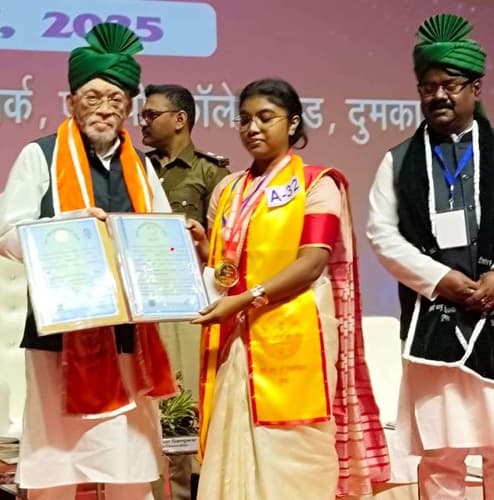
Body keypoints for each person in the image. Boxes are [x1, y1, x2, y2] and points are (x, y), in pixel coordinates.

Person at [0, 22, 176, 500]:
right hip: (60, 335)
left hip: (128, 336)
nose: (105, 109)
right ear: (71, 102)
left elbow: (160, 236)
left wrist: (179, 246)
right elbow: (5, 235)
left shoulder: (141, 167)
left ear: (128, 108)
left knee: (129, 462)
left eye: (116, 99)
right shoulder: (40, 155)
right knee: (57, 463)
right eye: (93, 98)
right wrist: (68, 229)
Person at [191, 78, 389, 499]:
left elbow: (312, 262)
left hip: (297, 336)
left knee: (292, 451)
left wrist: (246, 299)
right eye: (244, 119)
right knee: (234, 449)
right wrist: (203, 248)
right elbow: (225, 269)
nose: (253, 128)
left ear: (293, 123)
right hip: (237, 336)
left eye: (266, 118)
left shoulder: (318, 184)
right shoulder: (227, 189)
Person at [367, 13, 494, 499]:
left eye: (451, 85)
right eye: (428, 87)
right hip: (433, 317)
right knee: (442, 451)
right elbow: (382, 234)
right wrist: (440, 279)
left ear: (475, 88)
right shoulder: (398, 160)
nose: (439, 95)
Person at [140, 83, 230, 500]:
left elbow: (227, 250)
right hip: (143, 304)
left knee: (184, 404)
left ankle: (192, 491)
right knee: (149, 409)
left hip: (189, 306)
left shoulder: (212, 174)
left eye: (151, 114)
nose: (142, 121)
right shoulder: (135, 170)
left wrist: (202, 241)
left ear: (180, 119)